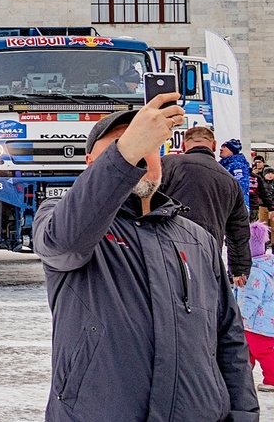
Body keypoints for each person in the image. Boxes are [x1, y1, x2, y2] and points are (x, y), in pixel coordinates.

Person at [33, 98, 258, 421]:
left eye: (146, 145)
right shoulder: (61, 219)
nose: (137, 154)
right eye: (120, 146)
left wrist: (243, 413)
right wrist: (125, 155)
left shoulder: (197, 238)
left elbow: (228, 336)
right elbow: (65, 244)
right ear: (90, 162)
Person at [159, 125, 252, 286]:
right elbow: (239, 229)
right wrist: (239, 269)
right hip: (207, 253)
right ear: (214, 146)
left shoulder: (168, 164)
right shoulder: (229, 181)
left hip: (165, 248)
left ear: (183, 145)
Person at [237, 221, 274, 392]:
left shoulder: (255, 272)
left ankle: (272, 379)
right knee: (246, 351)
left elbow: (251, 298)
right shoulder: (268, 265)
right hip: (266, 321)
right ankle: (241, 377)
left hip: (256, 324)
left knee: (262, 352)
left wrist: (239, 314)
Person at [220, 139, 253, 213]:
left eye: (224, 147)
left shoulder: (238, 165)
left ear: (232, 150)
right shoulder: (225, 164)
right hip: (227, 205)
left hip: (236, 207)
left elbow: (241, 187)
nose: (221, 149)